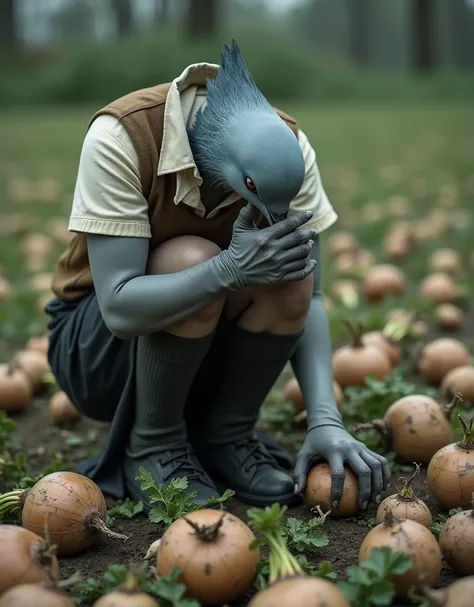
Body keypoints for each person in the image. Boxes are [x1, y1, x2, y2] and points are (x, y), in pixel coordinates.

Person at [45, 39, 390, 512]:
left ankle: (228, 434)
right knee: (193, 257)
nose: (274, 213)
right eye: (255, 191)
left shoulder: (293, 147)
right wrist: (229, 268)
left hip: (204, 349)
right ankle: (154, 444)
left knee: (290, 265)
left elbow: (308, 297)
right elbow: (120, 308)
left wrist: (325, 419)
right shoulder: (123, 136)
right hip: (102, 353)